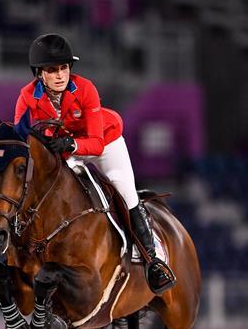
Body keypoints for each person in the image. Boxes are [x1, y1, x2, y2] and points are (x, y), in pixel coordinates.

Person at [14, 33, 176, 294]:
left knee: (124, 190)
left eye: (64, 68)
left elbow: (96, 143)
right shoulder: (26, 97)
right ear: (39, 74)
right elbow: (23, 138)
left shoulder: (85, 88)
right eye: (52, 70)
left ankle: (153, 260)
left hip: (103, 143)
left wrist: (71, 146)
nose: (60, 75)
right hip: (65, 150)